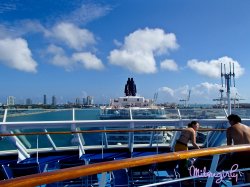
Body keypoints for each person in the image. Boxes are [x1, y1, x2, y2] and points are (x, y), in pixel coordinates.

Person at [226, 114, 250, 184]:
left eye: (229, 121)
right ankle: (248, 183)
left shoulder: (230, 129)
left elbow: (229, 144)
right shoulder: (248, 127)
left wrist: (228, 155)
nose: (229, 123)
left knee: (233, 168)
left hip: (240, 152)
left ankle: (234, 184)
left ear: (232, 121)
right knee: (248, 170)